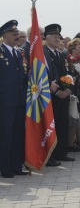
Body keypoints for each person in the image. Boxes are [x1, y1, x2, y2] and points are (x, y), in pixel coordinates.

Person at [0, 20, 28, 178]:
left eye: (18, 33)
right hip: (5, 102)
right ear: (4, 35)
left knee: (18, 134)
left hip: (19, 101)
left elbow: (22, 76)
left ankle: (16, 166)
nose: (17, 36)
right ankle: (5, 168)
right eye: (14, 34)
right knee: (6, 135)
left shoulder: (18, 52)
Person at [44, 24, 75, 162]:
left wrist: (68, 89)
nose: (58, 40)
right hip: (51, 96)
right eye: (55, 37)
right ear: (47, 38)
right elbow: (45, 76)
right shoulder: (44, 53)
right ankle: (51, 155)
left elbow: (69, 73)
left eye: (59, 37)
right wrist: (57, 92)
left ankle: (61, 152)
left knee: (63, 124)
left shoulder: (61, 53)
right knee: (52, 125)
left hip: (64, 95)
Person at [65, 38, 80, 153]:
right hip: (73, 92)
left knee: (79, 117)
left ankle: (79, 139)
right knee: (73, 117)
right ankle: (71, 142)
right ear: (72, 48)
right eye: (79, 47)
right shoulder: (69, 60)